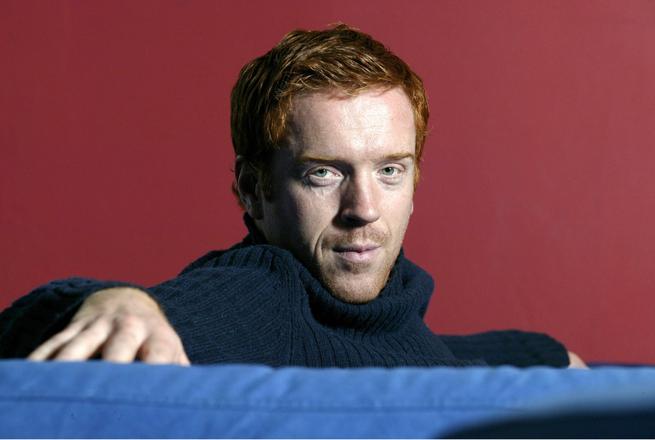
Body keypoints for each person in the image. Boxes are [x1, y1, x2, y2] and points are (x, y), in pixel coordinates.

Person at [0, 24, 585, 368]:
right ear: (254, 190)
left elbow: (417, 350)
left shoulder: (391, 312)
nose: (363, 209)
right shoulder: (264, 293)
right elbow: (40, 328)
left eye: (389, 170)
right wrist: (112, 303)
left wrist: (546, 358)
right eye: (323, 173)